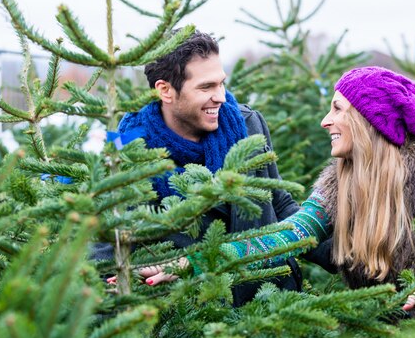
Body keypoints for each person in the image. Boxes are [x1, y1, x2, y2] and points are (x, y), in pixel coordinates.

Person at [139, 66, 415, 313]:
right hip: (371, 331)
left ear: (368, 121)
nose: (325, 120)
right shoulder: (338, 181)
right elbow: (288, 234)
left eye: (337, 109)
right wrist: (193, 263)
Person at [96, 30, 331, 306]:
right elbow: (103, 242)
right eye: (206, 87)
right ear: (165, 90)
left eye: (221, 84)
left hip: (274, 304)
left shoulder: (248, 124)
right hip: (198, 323)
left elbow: (280, 205)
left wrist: (354, 263)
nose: (220, 96)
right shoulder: (128, 151)